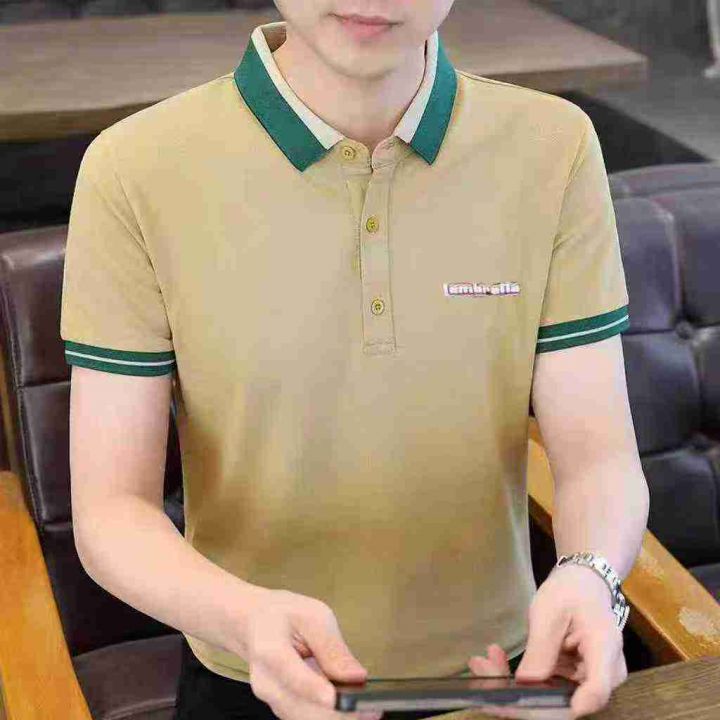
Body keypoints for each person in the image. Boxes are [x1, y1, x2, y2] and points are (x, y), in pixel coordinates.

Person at [61, 2, 650, 720]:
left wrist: (591, 576)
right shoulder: (133, 167)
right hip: (250, 675)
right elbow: (112, 510)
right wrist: (244, 619)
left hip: (509, 676)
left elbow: (599, 459)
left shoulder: (555, 145)